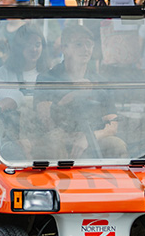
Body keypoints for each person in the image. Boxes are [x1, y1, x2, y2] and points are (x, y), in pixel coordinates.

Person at [37, 24, 124, 159]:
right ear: (64, 48)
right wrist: (74, 94)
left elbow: (113, 126)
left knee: (117, 145)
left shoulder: (100, 81)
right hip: (59, 135)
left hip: (91, 136)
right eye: (78, 44)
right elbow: (44, 119)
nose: (85, 49)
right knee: (53, 142)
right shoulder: (47, 78)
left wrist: (89, 138)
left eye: (89, 44)